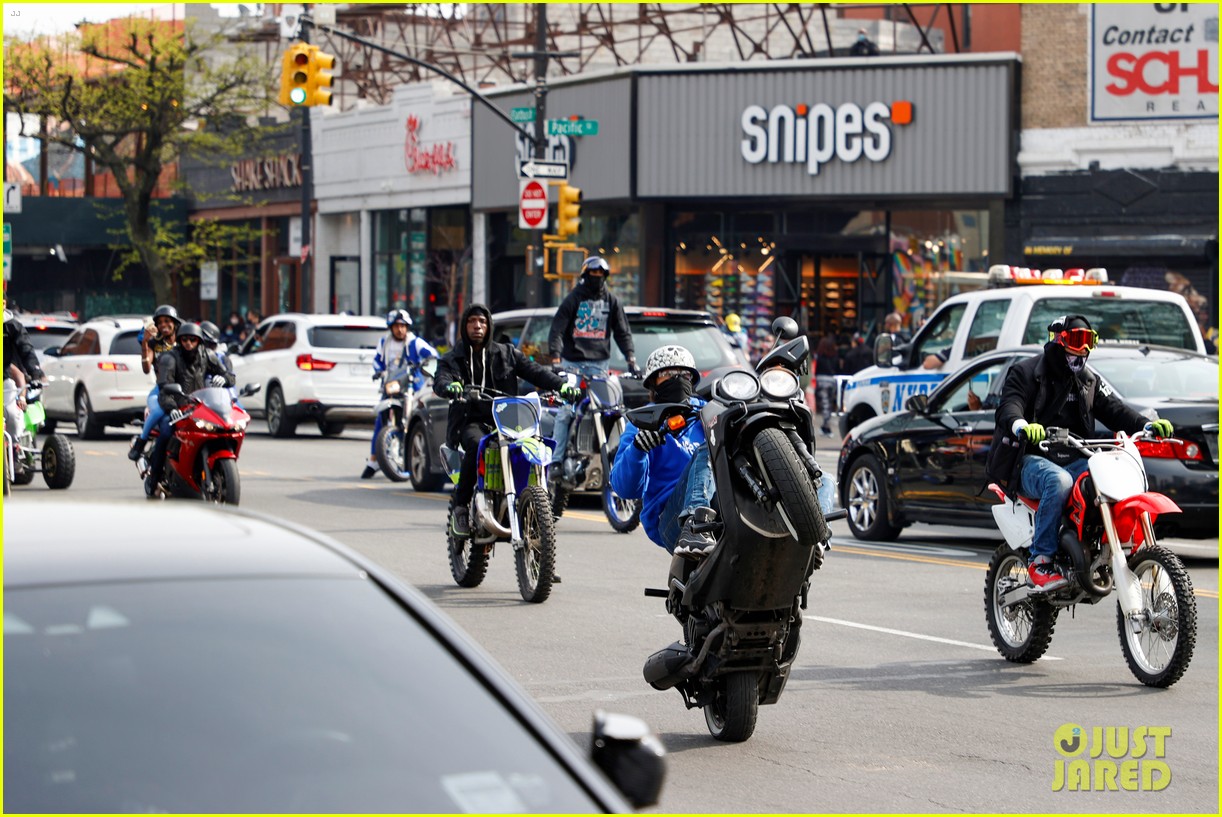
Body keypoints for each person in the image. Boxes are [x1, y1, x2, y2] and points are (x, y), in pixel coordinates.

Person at [992, 314, 1172, 590]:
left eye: (1089, 341)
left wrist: (1146, 424)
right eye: (1077, 340)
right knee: (1059, 481)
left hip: (1074, 456)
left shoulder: (1088, 380)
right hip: (1028, 459)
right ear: (1059, 340)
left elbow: (1115, 409)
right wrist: (1022, 425)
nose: (1083, 349)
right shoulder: (1026, 372)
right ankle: (1041, 560)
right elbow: (1009, 406)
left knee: (1106, 478)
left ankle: (1100, 546)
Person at [434, 304, 579, 536]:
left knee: (534, 445)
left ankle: (535, 501)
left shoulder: (507, 353)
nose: (477, 326)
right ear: (464, 326)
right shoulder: (453, 358)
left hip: (508, 421)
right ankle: (461, 507)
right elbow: (441, 378)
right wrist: (449, 386)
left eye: (482, 321)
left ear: (489, 325)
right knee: (476, 445)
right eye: (472, 321)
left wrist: (562, 386)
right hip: (471, 421)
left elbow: (535, 371)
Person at [610, 345, 718, 558]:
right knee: (711, 448)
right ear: (653, 383)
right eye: (668, 374)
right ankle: (694, 522)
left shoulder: (707, 412)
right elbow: (624, 489)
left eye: (684, 374)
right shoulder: (642, 422)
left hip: (718, 505)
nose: (678, 379)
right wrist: (638, 450)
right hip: (670, 520)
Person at [547, 255, 639, 473]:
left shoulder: (612, 301)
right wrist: (556, 359)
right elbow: (557, 329)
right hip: (572, 365)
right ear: (585, 276)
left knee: (614, 409)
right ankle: (557, 461)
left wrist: (631, 359)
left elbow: (623, 332)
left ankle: (617, 455)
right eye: (592, 274)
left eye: (600, 275)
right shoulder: (573, 299)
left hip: (599, 366)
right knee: (566, 411)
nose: (597, 278)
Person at [145, 322, 235, 497]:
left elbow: (229, 376)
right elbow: (164, 388)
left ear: (199, 341)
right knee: (165, 432)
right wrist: (172, 408)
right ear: (179, 341)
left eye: (192, 340)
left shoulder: (208, 356)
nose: (188, 343)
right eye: (184, 340)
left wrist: (224, 379)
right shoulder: (170, 358)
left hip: (200, 405)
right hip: (177, 405)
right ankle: (154, 478)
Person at [363, 309, 438, 479]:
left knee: (417, 419)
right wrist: (378, 372)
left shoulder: (415, 343)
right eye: (396, 326)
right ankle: (374, 459)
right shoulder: (384, 343)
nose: (400, 329)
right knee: (380, 419)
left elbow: (433, 356)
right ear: (390, 327)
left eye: (403, 326)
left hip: (413, 388)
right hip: (392, 386)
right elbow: (377, 362)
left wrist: (423, 367)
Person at [128, 304, 181, 461]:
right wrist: (145, 343)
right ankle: (141, 442)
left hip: (185, 390)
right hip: (162, 390)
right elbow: (146, 368)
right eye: (160, 323)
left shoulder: (184, 340)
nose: (164, 325)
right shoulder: (154, 344)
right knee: (158, 412)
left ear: (175, 323)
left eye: (167, 321)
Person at [813, 335, 840, 436]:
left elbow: (816, 369)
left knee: (824, 404)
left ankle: (826, 426)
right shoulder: (834, 356)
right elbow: (837, 369)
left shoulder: (819, 356)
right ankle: (826, 425)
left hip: (821, 380)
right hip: (831, 380)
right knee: (828, 403)